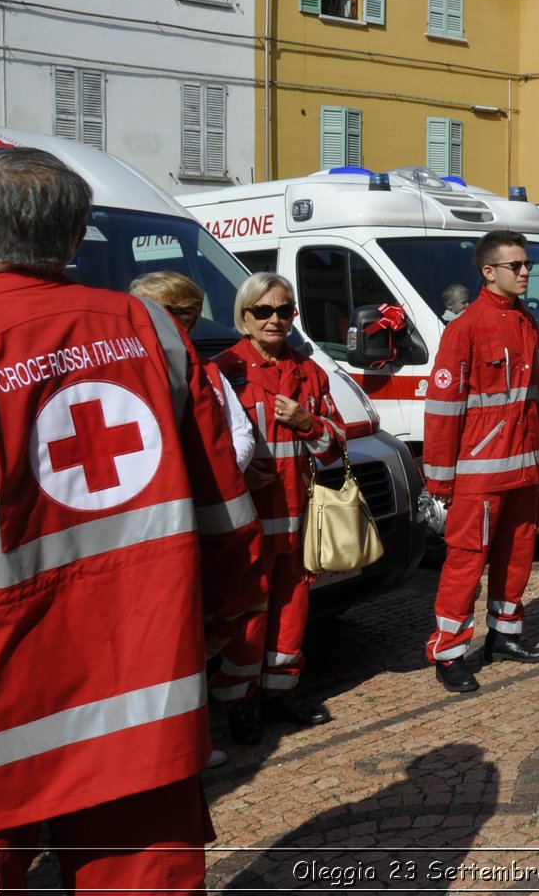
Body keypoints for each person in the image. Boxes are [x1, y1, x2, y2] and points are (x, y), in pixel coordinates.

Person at [0, 146, 264, 892]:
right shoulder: (150, 329)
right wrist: (229, 611)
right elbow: (222, 503)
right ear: (77, 236)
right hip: (141, 675)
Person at [212, 273, 347, 741]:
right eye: (263, 311)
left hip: (298, 511)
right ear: (244, 317)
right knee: (248, 610)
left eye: (284, 310)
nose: (275, 319)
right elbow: (208, 447)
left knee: (293, 604)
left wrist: (310, 422)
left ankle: (279, 691)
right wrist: (241, 471)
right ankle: (239, 702)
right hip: (247, 515)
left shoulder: (310, 371)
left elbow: (337, 447)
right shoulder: (223, 371)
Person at [423, 231, 539, 693]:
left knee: (517, 556)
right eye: (514, 265)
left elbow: (530, 401)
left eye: (526, 264)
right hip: (478, 473)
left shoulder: (526, 322)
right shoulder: (466, 327)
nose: (524, 272)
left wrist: (536, 459)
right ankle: (449, 652)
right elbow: (442, 410)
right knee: (465, 565)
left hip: (522, 468)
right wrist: (438, 482)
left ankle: (506, 634)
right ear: (488, 271)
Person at [129, 270, 255, 471]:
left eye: (187, 312)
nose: (147, 319)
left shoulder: (208, 371)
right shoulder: (125, 371)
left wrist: (226, 473)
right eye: (143, 311)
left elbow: (241, 431)